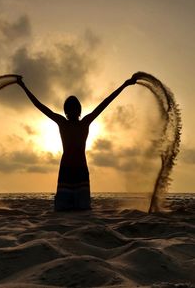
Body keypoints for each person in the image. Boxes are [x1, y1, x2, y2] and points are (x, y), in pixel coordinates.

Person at [17, 74, 138, 211]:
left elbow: (106, 102)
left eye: (74, 109)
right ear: (66, 111)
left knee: (83, 208)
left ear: (78, 111)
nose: (72, 112)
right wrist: (23, 86)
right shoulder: (62, 122)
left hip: (80, 169)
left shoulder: (85, 122)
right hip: (67, 169)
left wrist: (125, 85)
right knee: (62, 209)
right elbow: (40, 106)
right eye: (70, 110)